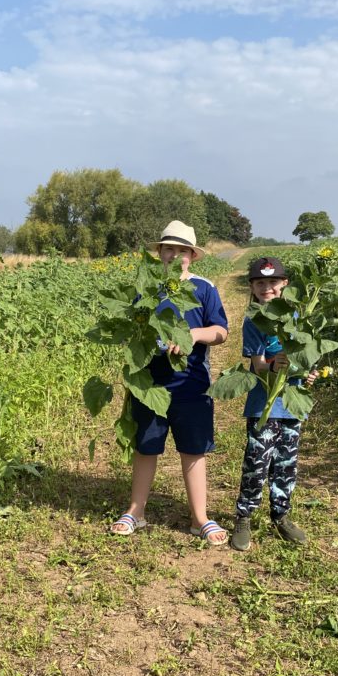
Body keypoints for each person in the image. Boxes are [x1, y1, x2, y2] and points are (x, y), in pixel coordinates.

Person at [110, 220, 230, 545]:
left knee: (194, 450)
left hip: (192, 384)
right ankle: (136, 510)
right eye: (168, 249)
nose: (175, 255)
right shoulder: (146, 288)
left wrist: (191, 334)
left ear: (192, 255)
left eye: (182, 250)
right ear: (159, 252)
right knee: (146, 447)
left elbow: (220, 331)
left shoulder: (203, 288)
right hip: (149, 383)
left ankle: (199, 517)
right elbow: (132, 325)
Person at [231, 256, 317, 552]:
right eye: (260, 282)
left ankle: (281, 515)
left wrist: (309, 373)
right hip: (263, 404)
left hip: (292, 405)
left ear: (285, 285)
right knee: (257, 462)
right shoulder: (254, 319)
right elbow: (257, 365)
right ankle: (244, 516)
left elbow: (305, 357)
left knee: (286, 463)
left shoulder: (298, 318)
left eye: (273, 282)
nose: (267, 287)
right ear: (252, 287)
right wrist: (273, 363)